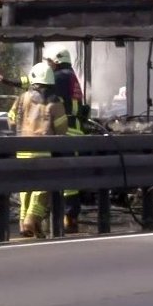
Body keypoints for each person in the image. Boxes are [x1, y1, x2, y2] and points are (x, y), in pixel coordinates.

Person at [8, 62, 69, 237]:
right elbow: (62, 128)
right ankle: (31, 219)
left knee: (25, 188)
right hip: (43, 151)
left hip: (22, 150)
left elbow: (11, 120)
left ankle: (23, 223)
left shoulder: (21, 98)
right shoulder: (55, 102)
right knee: (41, 188)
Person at [46, 47, 87, 232]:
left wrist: (12, 81)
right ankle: (70, 216)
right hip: (76, 130)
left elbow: (39, 84)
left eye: (51, 62)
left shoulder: (61, 76)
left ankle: (65, 215)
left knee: (62, 174)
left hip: (66, 130)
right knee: (72, 177)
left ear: (57, 61)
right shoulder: (71, 75)